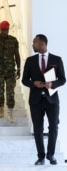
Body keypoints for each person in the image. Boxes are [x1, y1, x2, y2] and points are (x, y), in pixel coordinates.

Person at [22, 34, 66, 165]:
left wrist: (53, 84)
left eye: (34, 42)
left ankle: (50, 155)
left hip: (52, 100)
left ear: (42, 44)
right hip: (36, 100)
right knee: (38, 129)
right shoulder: (30, 61)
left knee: (53, 126)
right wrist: (33, 84)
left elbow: (63, 79)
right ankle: (41, 156)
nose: (32, 45)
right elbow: (24, 80)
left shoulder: (56, 59)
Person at [0, 20, 21, 123]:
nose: (5, 32)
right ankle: (1, 110)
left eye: (7, 30)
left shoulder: (13, 40)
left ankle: (10, 114)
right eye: (3, 30)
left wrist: (19, 69)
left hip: (11, 70)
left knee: (10, 93)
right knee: (0, 92)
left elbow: (17, 55)